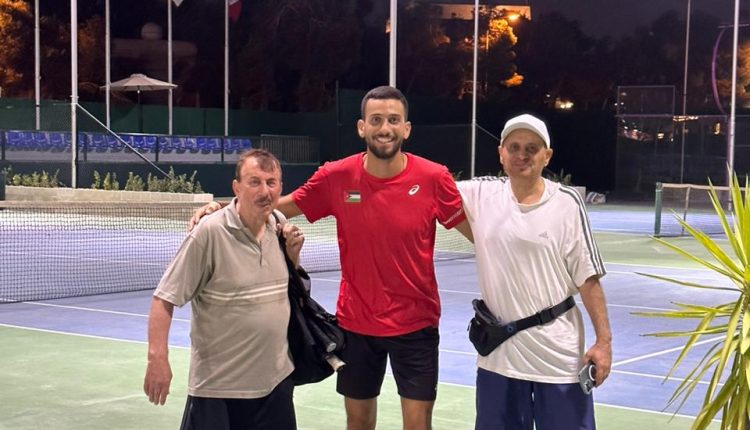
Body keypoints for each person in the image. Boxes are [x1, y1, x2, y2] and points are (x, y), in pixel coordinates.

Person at [190, 86, 469, 430]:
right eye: (376, 120)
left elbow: (479, 234)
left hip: (416, 325)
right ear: (361, 127)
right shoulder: (336, 176)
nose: (385, 128)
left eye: (393, 120)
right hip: (356, 325)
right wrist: (224, 208)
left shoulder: (433, 177)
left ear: (406, 128)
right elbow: (279, 206)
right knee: (358, 422)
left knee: (418, 425)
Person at [456, 114, 612, 430]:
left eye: (532, 148)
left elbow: (588, 278)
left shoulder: (567, 203)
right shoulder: (480, 194)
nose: (522, 155)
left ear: (547, 156)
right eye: (513, 147)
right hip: (499, 357)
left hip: (558, 357)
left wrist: (603, 342)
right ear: (501, 153)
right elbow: (425, 185)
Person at [144, 149, 305, 430]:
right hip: (219, 391)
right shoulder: (209, 232)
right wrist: (157, 358)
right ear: (236, 187)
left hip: (276, 386)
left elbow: (288, 293)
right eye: (254, 182)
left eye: (271, 182)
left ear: (281, 187)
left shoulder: (278, 225)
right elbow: (163, 299)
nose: (264, 191)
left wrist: (293, 257)